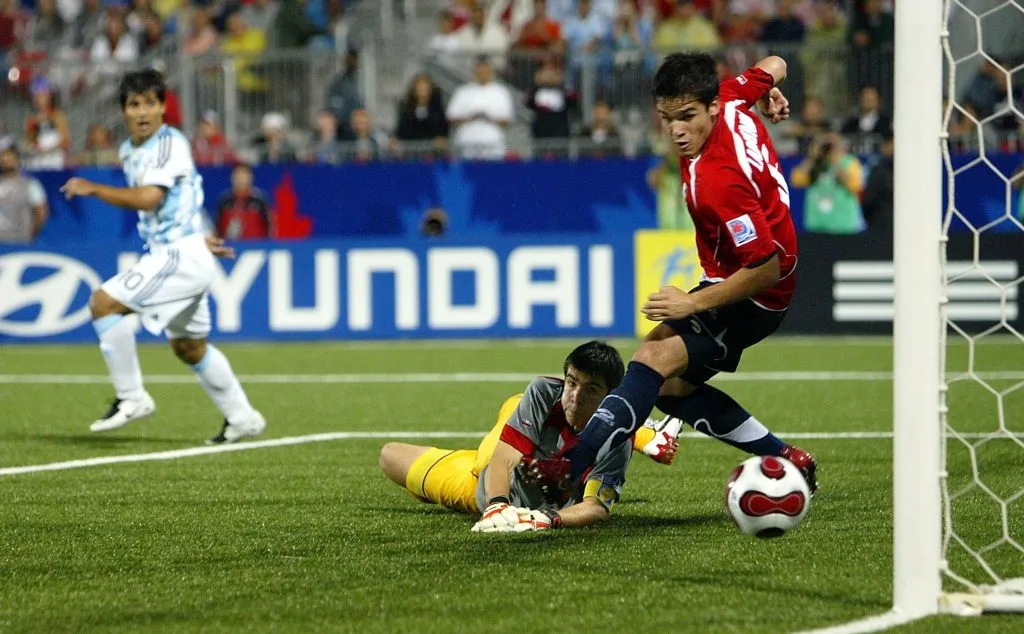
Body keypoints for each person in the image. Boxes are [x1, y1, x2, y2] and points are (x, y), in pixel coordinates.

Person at [523, 53, 819, 500]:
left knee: (651, 359)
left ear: (711, 108)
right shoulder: (734, 97)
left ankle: (571, 464)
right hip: (749, 279)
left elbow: (766, 266)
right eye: (667, 118)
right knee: (673, 389)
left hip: (755, 293)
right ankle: (785, 457)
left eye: (687, 118)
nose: (677, 130)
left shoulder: (719, 180)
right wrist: (770, 90)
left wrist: (695, 302)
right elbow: (778, 62)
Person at [59, 69, 266, 445]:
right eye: (134, 104)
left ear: (163, 108)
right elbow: (185, 194)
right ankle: (243, 417)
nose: (143, 112)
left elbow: (151, 198)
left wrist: (94, 189)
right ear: (123, 110)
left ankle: (132, 397)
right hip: (185, 251)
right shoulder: (128, 150)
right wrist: (200, 231)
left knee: (103, 303)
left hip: (179, 255)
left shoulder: (170, 144)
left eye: (150, 103)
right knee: (189, 347)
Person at [378, 341, 683, 532]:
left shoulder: (617, 442)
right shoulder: (545, 393)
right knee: (512, 411)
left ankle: (639, 427)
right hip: (494, 469)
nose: (576, 397)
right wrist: (498, 506)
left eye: (590, 390)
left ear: (609, 395)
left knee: (392, 456)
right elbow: (501, 460)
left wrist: (546, 519)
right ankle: (644, 429)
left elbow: (596, 508)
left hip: (474, 487)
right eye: (571, 383)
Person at [0, 145, 49, 243]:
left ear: (17, 160)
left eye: (9, 158)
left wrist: (30, 235)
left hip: (19, 241)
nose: (6, 162)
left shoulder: (31, 184)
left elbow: (41, 213)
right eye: (3, 159)